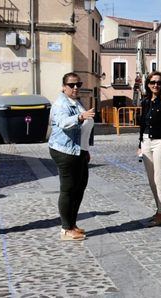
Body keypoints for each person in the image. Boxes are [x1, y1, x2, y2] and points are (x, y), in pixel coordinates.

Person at [48, 72, 95, 241]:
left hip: (79, 150)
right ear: (63, 87)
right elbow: (63, 123)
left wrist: (86, 149)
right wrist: (80, 116)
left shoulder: (77, 102)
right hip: (65, 151)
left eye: (78, 85)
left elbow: (83, 131)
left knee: (79, 188)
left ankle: (72, 224)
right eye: (71, 85)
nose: (76, 88)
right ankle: (66, 229)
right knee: (68, 189)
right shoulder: (61, 104)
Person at [137, 71, 161, 227]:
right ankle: (159, 209)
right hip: (146, 141)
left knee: (159, 178)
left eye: (159, 83)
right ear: (148, 84)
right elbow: (143, 124)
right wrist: (140, 143)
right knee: (151, 179)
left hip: (160, 142)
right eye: (153, 82)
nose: (156, 85)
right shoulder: (145, 101)